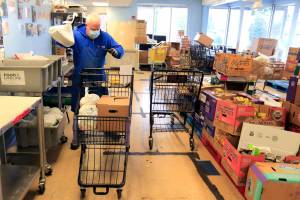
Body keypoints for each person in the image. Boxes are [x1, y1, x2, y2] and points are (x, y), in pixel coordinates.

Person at [71, 13, 124, 113]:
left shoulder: (104, 37)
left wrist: (116, 52)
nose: (95, 31)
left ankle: (100, 125)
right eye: (93, 29)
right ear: (86, 25)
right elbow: (61, 42)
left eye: (97, 28)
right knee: (80, 106)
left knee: (101, 105)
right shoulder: (76, 35)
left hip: (98, 76)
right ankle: (79, 126)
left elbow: (119, 48)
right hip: (80, 75)